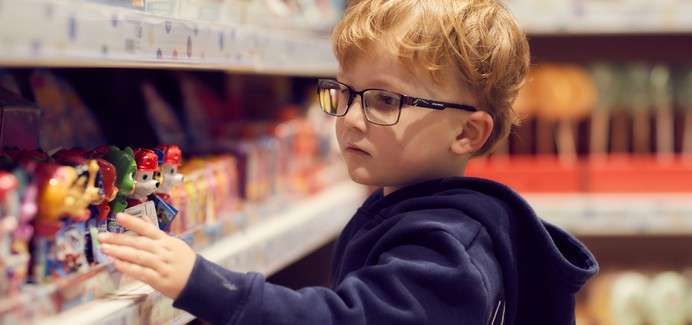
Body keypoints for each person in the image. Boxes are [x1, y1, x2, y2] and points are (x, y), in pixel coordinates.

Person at [98, 1, 599, 324]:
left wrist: (208, 285)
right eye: (345, 93)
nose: (351, 119)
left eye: (385, 102)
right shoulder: (419, 209)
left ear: (467, 133)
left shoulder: (446, 251)